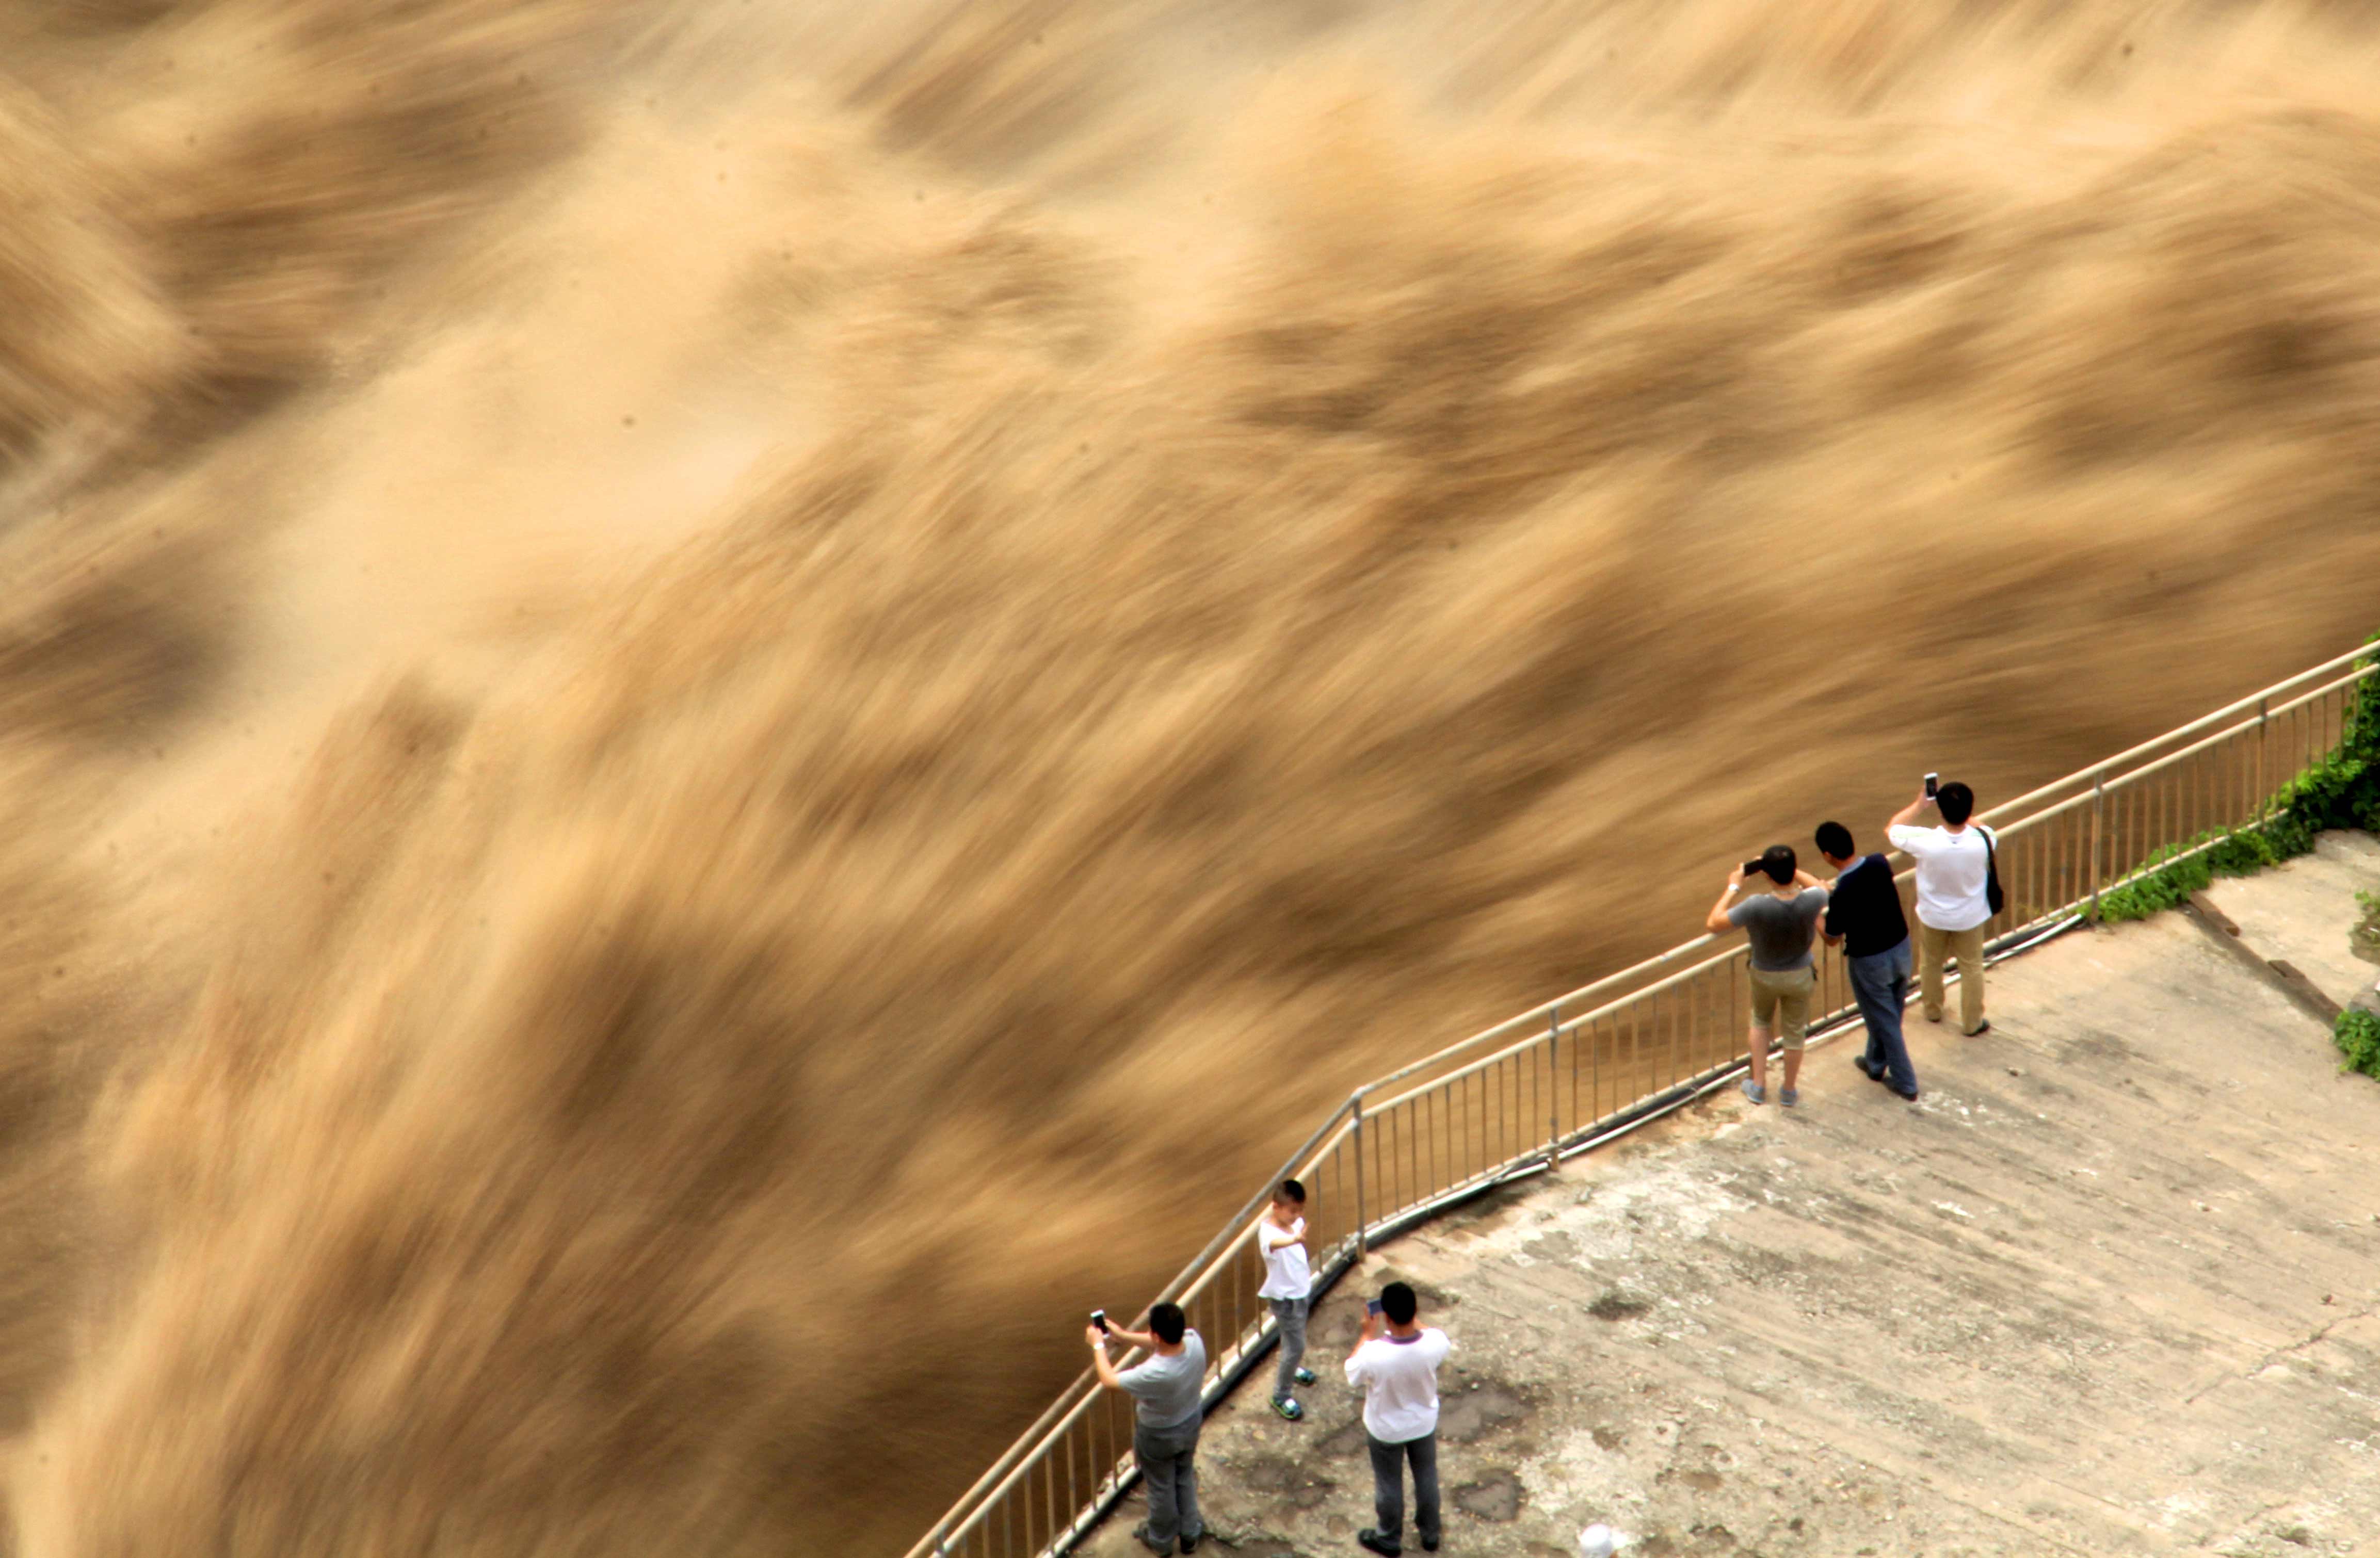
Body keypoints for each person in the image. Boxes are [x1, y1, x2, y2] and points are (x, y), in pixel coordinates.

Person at [1704, 844, 1828, 1107]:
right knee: (1794, 1032)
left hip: (1765, 974)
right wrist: (1791, 870)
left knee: (1760, 1022)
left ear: (1767, 876)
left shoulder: (1756, 905)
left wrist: (1734, 887)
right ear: (1793, 871)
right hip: (1800, 974)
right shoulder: (1814, 898)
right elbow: (1821, 886)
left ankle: (1759, 1086)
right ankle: (1789, 1091)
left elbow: (1714, 923)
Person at [1088, 1302, 1207, 1555]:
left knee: (1161, 1487)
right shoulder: (1194, 1341)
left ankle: (1161, 1540)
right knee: (1183, 1476)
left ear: (1156, 1334)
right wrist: (1123, 1337)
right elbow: (1161, 1344)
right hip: (1191, 1422)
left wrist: (1098, 1345)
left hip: (1159, 1436)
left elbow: (1109, 1380)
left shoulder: (1155, 1372)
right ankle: (1190, 1533)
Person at [1345, 1281, 1452, 1556]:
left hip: (1386, 1429)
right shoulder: (1435, 1342)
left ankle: (1389, 1539)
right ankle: (1430, 1534)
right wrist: (1415, 1321)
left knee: (1389, 1484)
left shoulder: (1374, 1353)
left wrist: (1367, 1334)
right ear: (1415, 1311)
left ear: (1387, 1317)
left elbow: (1352, 1372)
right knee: (1427, 1476)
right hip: (1423, 1423)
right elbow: (1435, 1337)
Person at [1815, 820, 1919, 1101]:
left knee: (1884, 1020)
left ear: (1827, 856)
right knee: (1889, 1014)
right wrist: (1831, 893)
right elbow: (1857, 888)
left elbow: (1832, 937)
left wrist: (1816, 911)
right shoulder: (1878, 863)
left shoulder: (1843, 892)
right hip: (1901, 947)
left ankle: (1906, 1083)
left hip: (1871, 962)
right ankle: (1875, 1064)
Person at [1887, 780, 1995, 1037]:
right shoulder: (1986, 839)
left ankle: (1933, 1010)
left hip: (1933, 915)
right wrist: (1966, 814)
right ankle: (1972, 1022)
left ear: (1940, 811)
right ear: (1970, 810)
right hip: (1970, 916)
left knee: (1931, 963)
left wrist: (1919, 804)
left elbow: (1892, 829)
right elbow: (1981, 827)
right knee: (1971, 968)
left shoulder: (1926, 840)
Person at [1257, 1179, 1317, 1421]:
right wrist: (1294, 1240)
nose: (1298, 1216)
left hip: (1300, 1291)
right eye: (1293, 1211)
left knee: (1294, 1338)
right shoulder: (1268, 1232)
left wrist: (1296, 1235)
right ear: (1276, 1207)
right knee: (1297, 1345)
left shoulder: (1296, 1224)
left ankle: (1291, 1369)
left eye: (1300, 1210)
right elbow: (1273, 1244)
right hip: (1285, 1298)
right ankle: (1281, 1395)